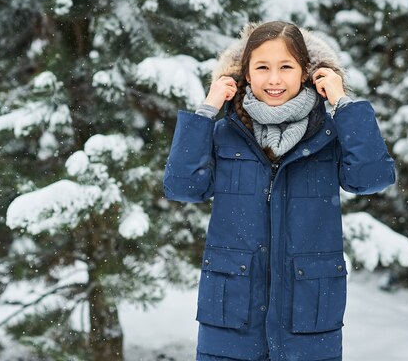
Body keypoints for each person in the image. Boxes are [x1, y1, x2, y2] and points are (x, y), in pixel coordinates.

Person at [163, 21, 395, 361]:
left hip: (309, 318)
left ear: (305, 72)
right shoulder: (225, 133)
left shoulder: (328, 135)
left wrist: (344, 103)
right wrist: (207, 110)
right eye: (262, 68)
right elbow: (182, 186)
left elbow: (372, 178)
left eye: (286, 67)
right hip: (231, 318)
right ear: (245, 74)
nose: (274, 79)